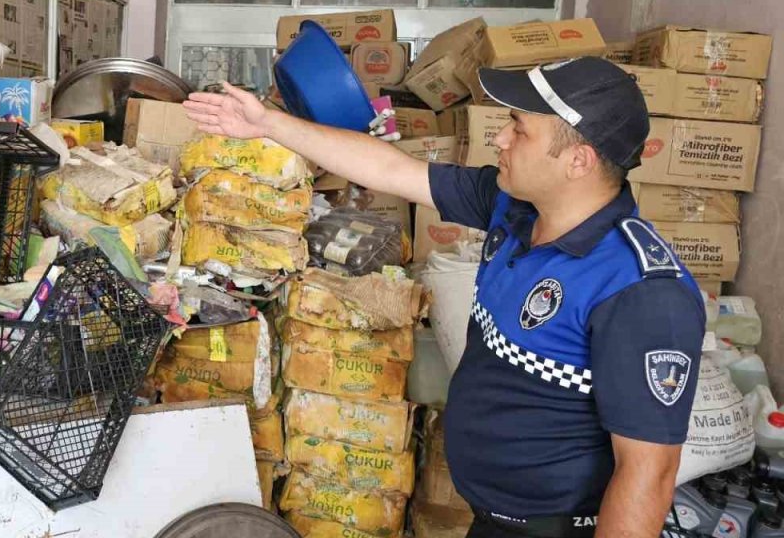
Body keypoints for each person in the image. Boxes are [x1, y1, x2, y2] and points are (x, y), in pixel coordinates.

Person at [185, 57, 704, 538]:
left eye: (519, 129)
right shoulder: (515, 207)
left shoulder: (639, 291)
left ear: (578, 160)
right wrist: (269, 124)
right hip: (492, 518)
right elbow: (392, 171)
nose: (499, 138)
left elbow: (648, 473)